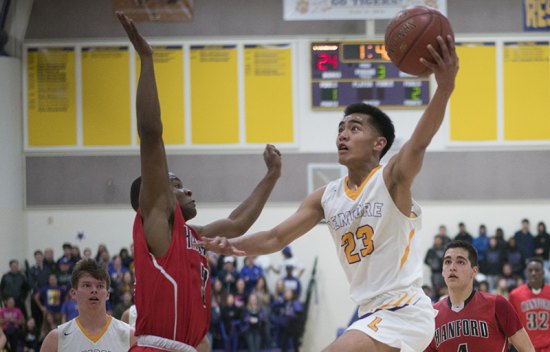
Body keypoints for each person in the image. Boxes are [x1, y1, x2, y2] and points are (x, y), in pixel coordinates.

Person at [204, 34, 459, 351]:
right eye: (341, 128)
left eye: (355, 128)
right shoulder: (326, 196)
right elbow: (274, 238)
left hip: (403, 310)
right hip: (370, 313)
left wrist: (444, 88)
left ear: (379, 144)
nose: (343, 135)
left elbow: (419, 143)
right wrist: (228, 246)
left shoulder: (391, 178)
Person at [116, 12, 282, 352]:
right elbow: (151, 134)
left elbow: (237, 222)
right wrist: (147, 60)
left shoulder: (192, 236)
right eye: (175, 185)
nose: (187, 189)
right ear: (153, 199)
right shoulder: (158, 225)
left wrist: (271, 176)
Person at [425, 240, 534, 352]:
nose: (452, 267)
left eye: (460, 262)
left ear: (474, 271)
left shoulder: (497, 304)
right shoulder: (432, 314)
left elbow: (528, 349)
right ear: (442, 271)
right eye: (447, 262)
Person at [40, 258, 136, 351]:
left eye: (100, 286)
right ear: (73, 293)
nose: (94, 290)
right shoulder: (56, 339)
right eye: (87, 285)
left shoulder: (129, 336)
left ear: (107, 294)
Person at [509, 257, 550, 352]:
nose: (533, 273)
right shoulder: (515, 295)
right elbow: (511, 322)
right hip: (526, 346)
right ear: (526, 273)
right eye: (530, 270)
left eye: (537, 270)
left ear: (543, 272)